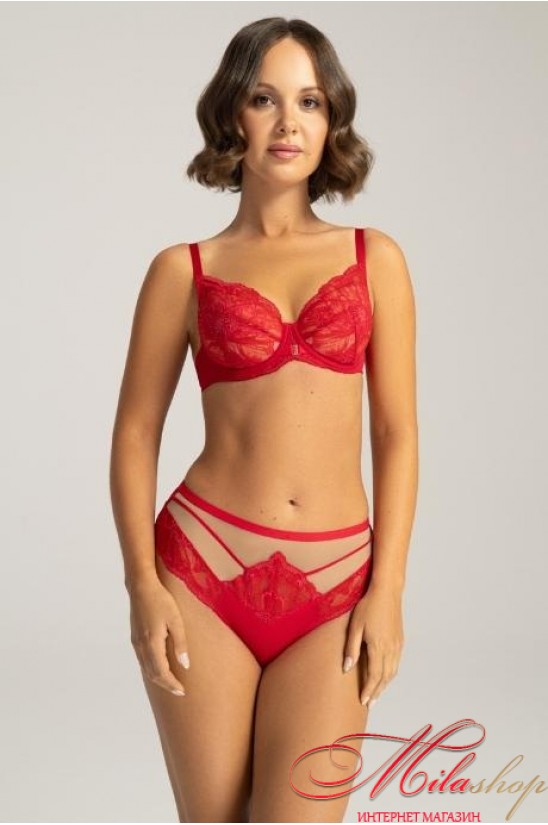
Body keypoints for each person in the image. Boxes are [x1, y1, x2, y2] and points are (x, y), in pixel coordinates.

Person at [110, 16, 418, 824]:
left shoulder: (375, 259)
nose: (288, 122)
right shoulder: (184, 270)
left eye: (309, 101)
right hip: (202, 571)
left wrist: (388, 590)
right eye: (264, 98)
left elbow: (397, 435)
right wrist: (143, 585)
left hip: (337, 584)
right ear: (232, 116)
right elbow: (135, 434)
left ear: (332, 118)